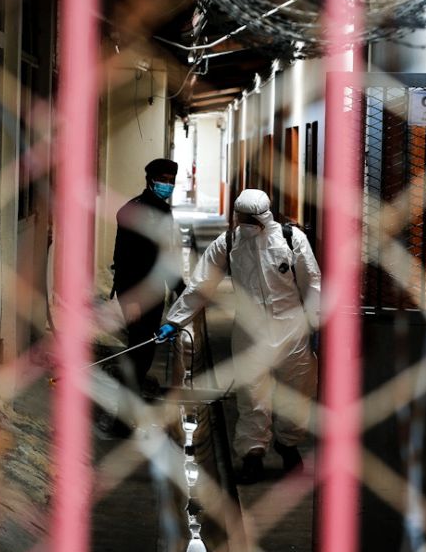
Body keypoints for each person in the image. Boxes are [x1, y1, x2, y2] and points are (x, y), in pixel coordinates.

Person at [157, 189, 321, 483]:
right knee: (251, 395)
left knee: (297, 392)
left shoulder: (291, 239)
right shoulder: (229, 243)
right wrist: (175, 320)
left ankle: (288, 445)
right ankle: (253, 454)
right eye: (241, 217)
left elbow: (312, 281)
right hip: (249, 333)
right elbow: (201, 284)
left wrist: (317, 322)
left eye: (249, 218)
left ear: (263, 215)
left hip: (291, 330)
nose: (244, 223)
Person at [112, 158, 184, 401]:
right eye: (162, 180)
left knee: (146, 351)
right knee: (138, 352)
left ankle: (132, 401)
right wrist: (128, 299)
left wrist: (180, 288)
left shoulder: (163, 211)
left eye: (171, 181)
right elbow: (122, 260)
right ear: (150, 180)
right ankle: (122, 416)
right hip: (135, 293)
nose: (168, 185)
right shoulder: (131, 211)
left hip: (155, 292)